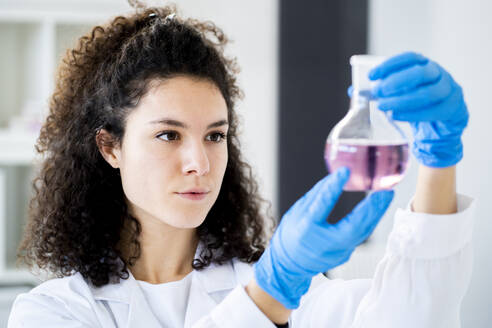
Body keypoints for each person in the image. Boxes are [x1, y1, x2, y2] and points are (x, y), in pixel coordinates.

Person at [8, 4, 474, 328]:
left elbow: (413, 318)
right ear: (110, 148)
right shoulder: (56, 312)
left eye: (215, 135)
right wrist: (271, 293)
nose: (199, 162)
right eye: (168, 135)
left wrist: (439, 160)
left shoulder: (282, 287)